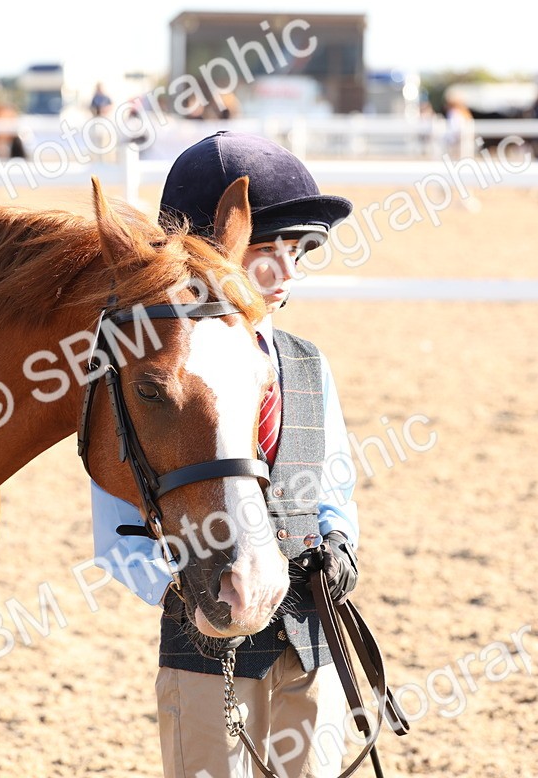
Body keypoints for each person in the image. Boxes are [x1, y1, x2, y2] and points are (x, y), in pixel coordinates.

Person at [91, 131, 362, 778]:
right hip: (203, 641)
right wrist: (187, 592)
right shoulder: (148, 380)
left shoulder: (305, 363)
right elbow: (116, 533)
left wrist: (341, 537)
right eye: (269, 254)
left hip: (309, 631)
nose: (289, 274)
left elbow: (334, 479)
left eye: (298, 253)